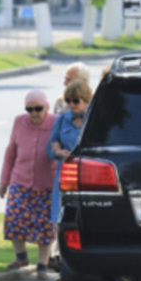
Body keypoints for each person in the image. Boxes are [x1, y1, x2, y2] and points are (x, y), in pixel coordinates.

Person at [0, 90, 57, 281]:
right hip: (20, 180)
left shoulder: (55, 123)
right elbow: (10, 153)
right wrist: (4, 181)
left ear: (46, 107)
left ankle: (42, 265)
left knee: (45, 226)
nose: (34, 113)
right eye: (29, 109)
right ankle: (21, 257)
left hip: (46, 184)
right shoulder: (19, 122)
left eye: (38, 109)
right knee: (14, 219)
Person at [48, 79, 92, 229]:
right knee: (60, 217)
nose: (71, 104)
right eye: (68, 101)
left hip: (88, 172)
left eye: (76, 101)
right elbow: (52, 143)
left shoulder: (93, 119)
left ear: (86, 99)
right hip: (65, 173)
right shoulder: (62, 120)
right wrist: (58, 151)